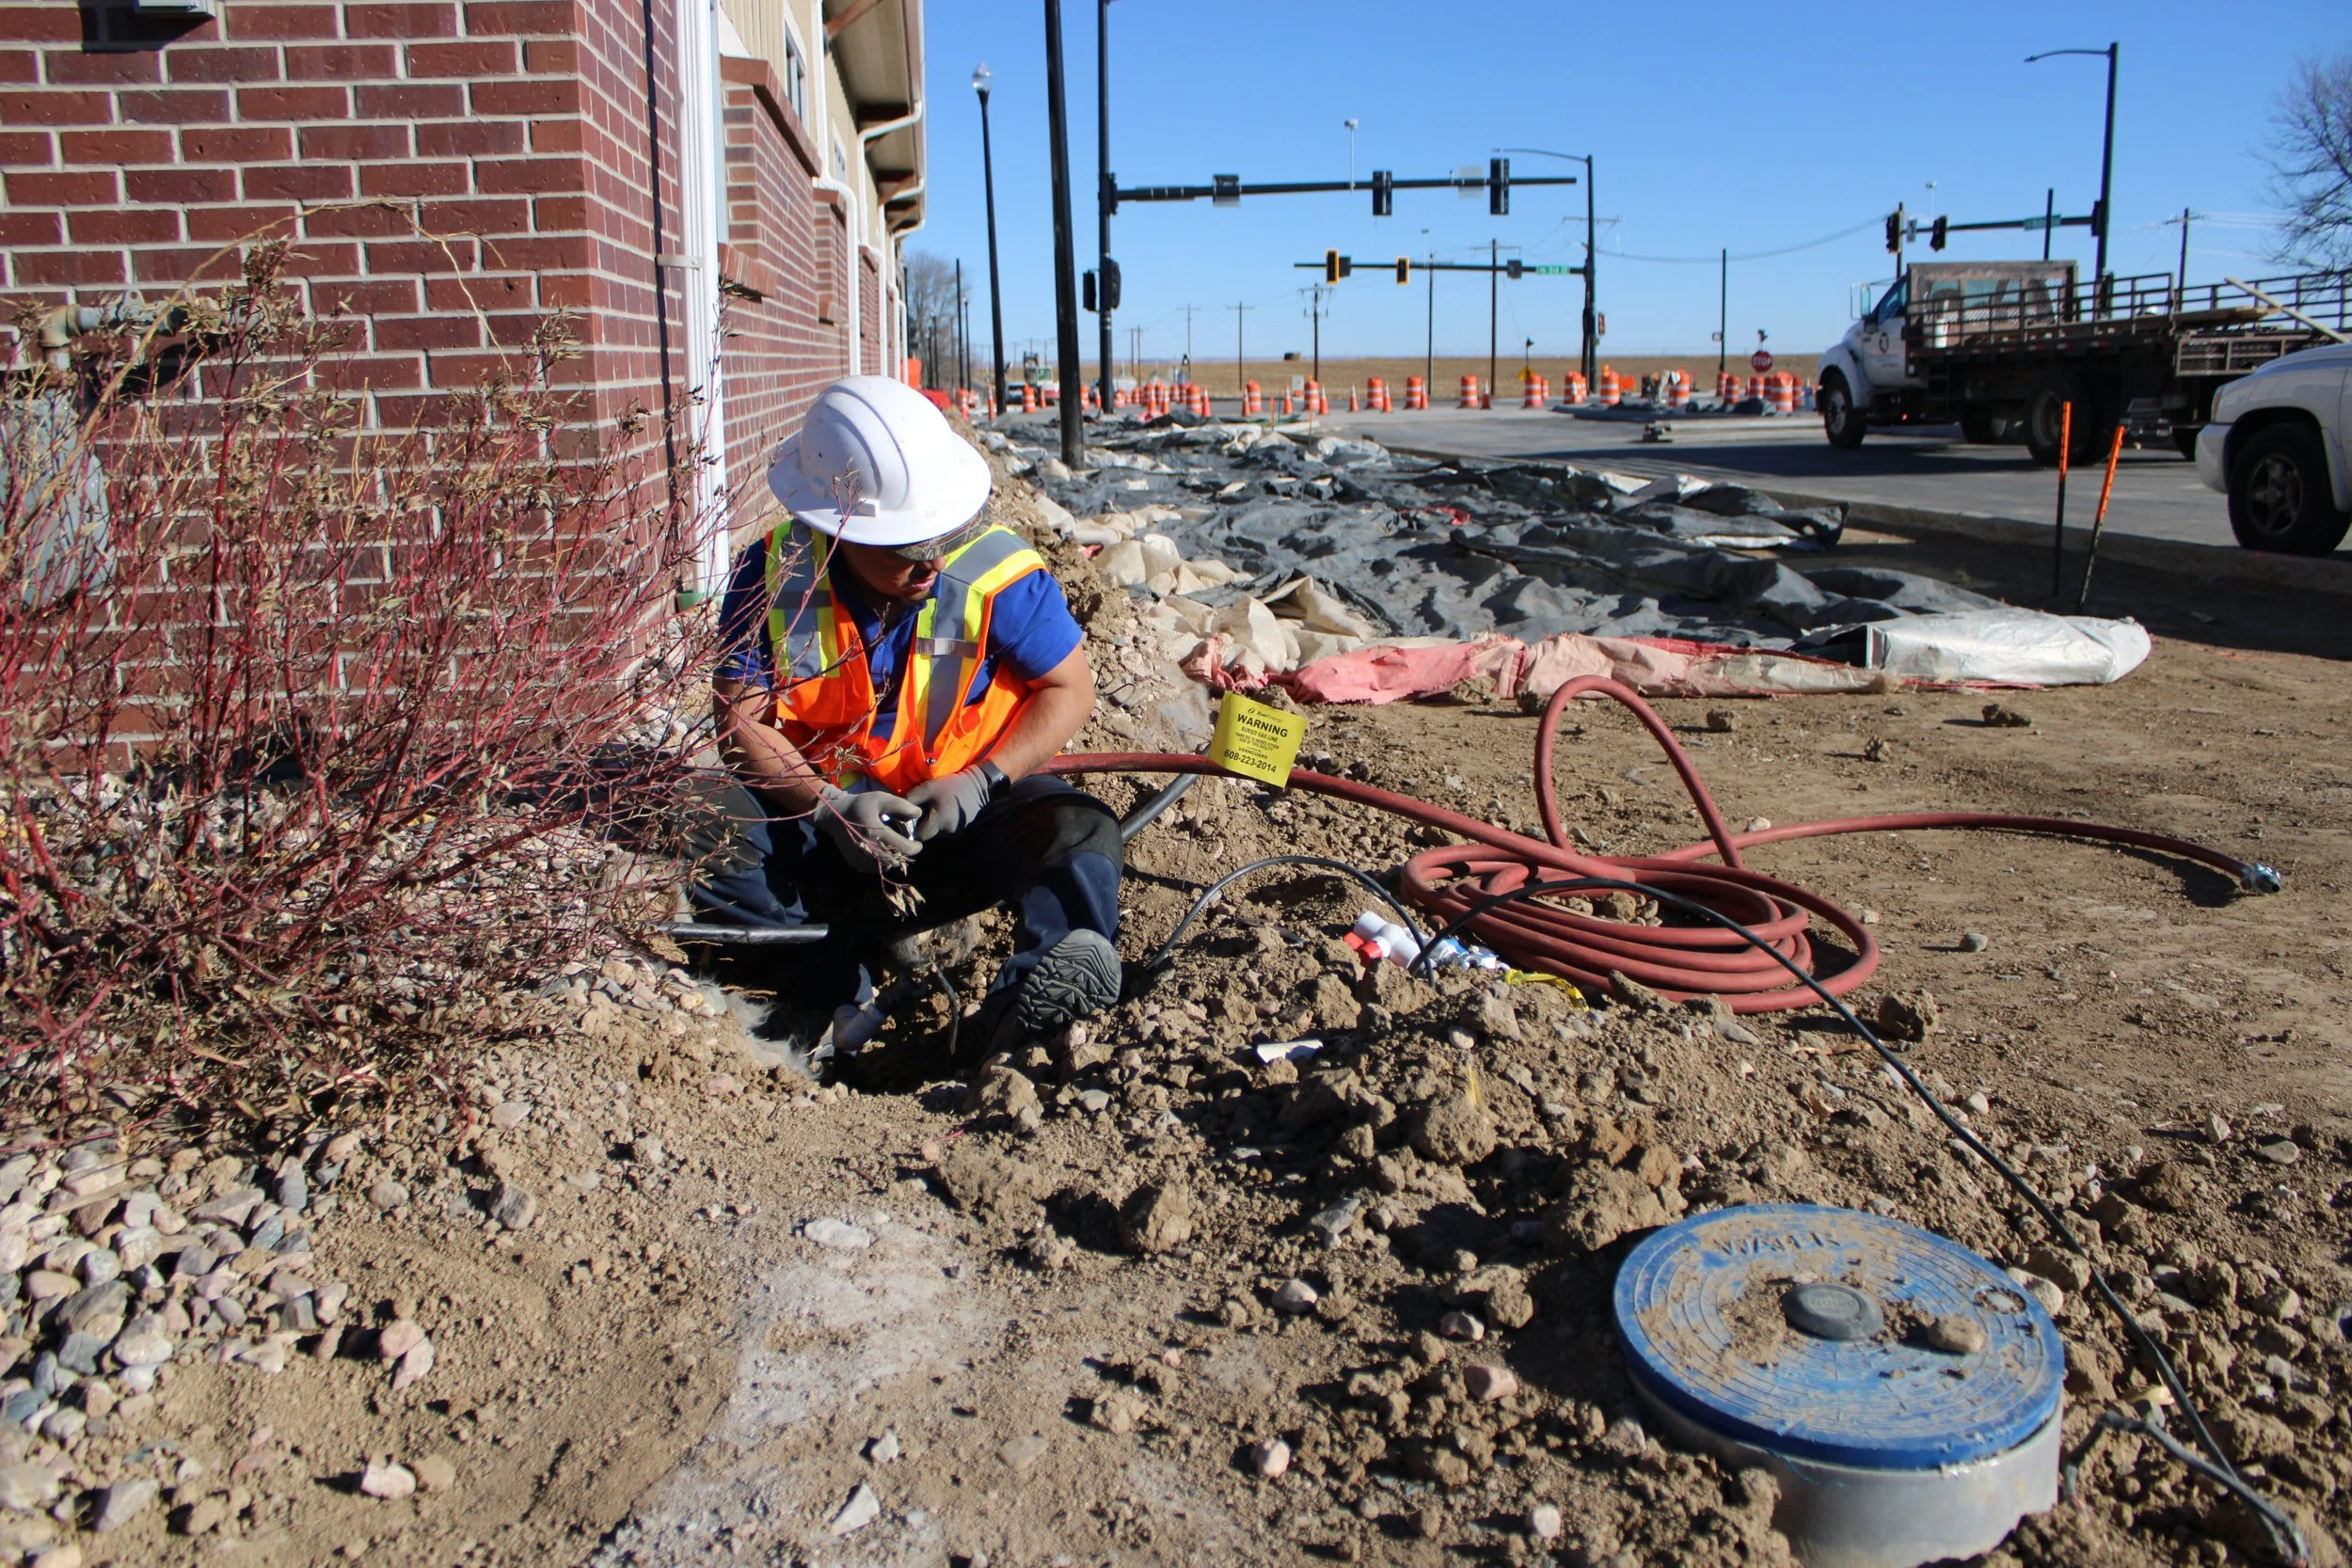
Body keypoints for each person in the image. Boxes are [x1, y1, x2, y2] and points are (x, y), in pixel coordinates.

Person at [693, 375, 1124, 1057]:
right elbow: (736, 721)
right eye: (903, 543)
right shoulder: (775, 572)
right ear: (834, 529)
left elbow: (1069, 688)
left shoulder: (994, 571)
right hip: (825, 839)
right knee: (701, 816)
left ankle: (1033, 1004)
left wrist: (983, 781)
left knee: (1080, 828)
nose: (928, 559)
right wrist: (829, 805)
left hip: (958, 826)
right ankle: (829, 984)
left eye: (938, 535)